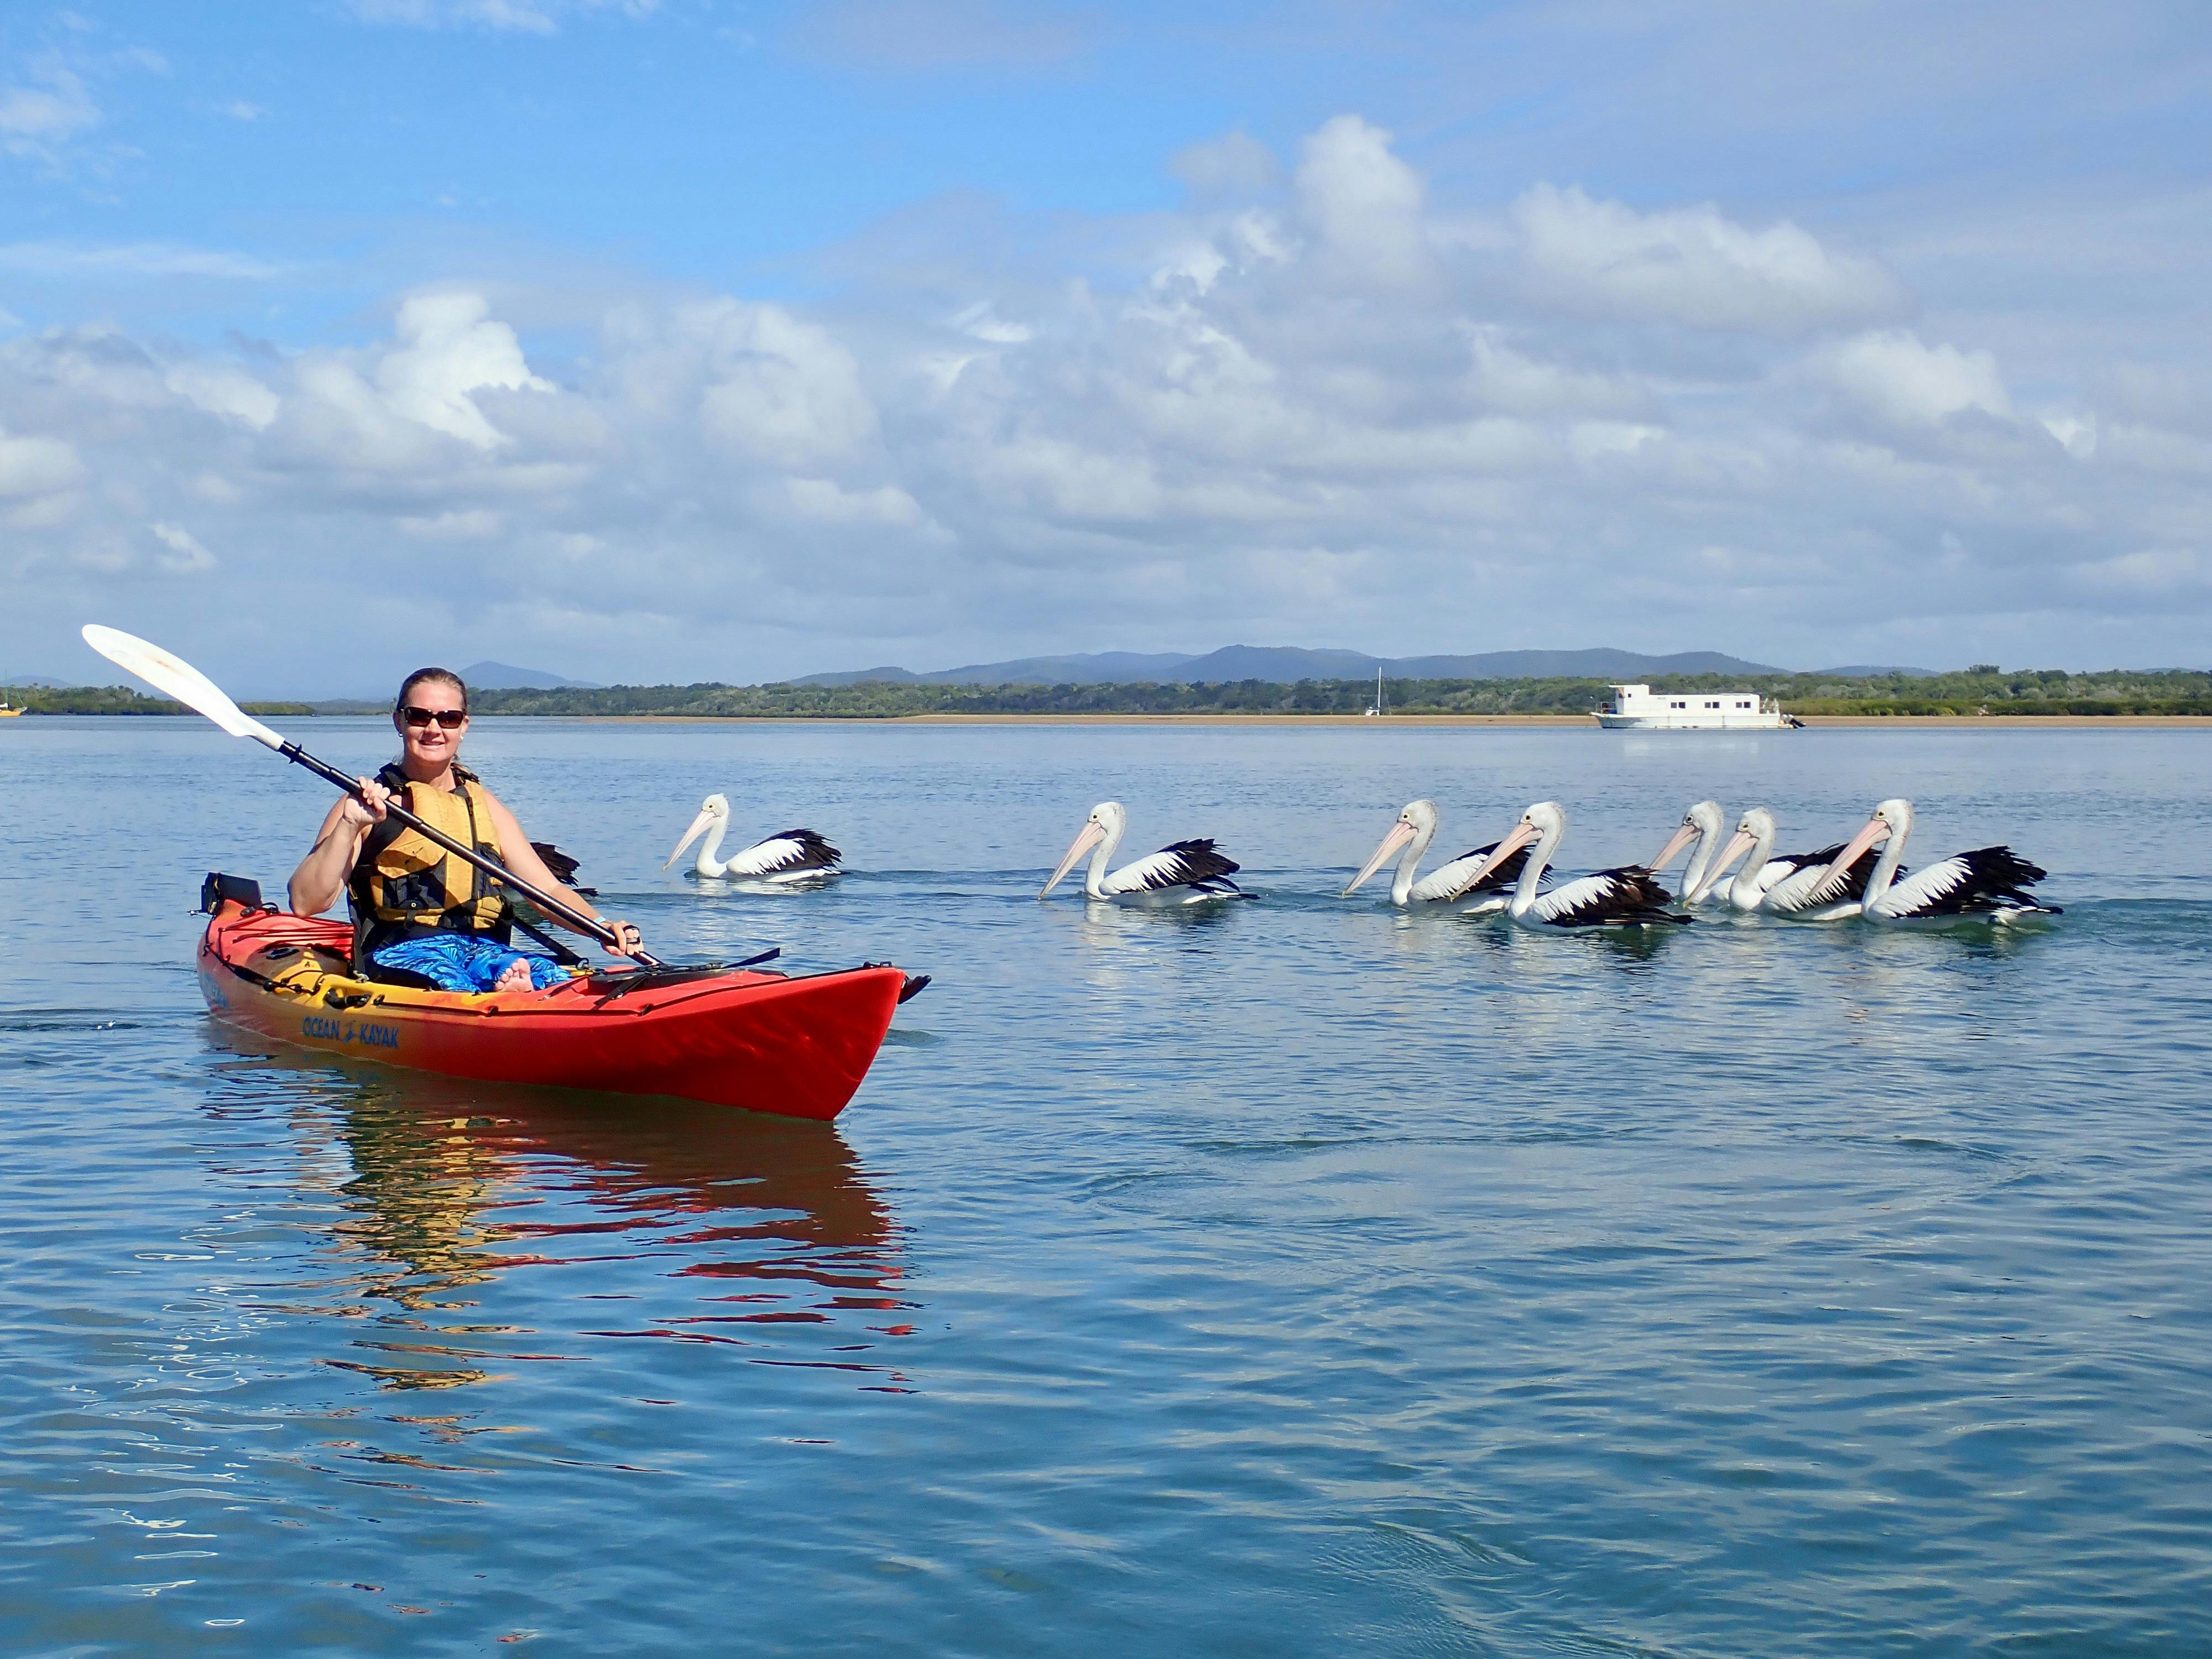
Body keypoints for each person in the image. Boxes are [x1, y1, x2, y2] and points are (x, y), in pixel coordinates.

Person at [289, 666, 645, 993]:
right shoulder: (368, 805)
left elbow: (548, 889)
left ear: (464, 726)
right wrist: (350, 825)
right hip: (400, 951)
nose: (434, 729)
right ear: (399, 721)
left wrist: (601, 926)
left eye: (448, 718)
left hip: (485, 948)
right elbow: (307, 902)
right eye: (419, 716)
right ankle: (499, 1005)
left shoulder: (485, 805)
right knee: (452, 983)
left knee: (550, 977)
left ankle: (513, 996)